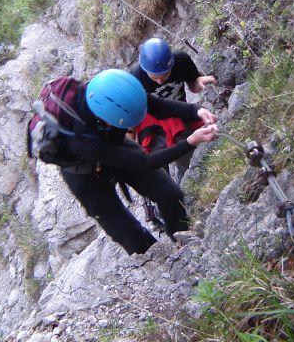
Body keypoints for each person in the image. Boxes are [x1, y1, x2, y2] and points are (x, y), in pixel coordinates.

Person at [38, 68, 217, 255]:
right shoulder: (82, 141)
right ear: (106, 119)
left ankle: (185, 244)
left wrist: (196, 110)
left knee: (170, 195)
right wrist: (190, 141)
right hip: (85, 175)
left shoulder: (117, 92)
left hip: (112, 143)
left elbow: (158, 106)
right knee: (127, 232)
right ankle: (159, 262)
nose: (131, 127)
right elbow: (144, 162)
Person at [131, 37, 217, 182]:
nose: (160, 81)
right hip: (152, 125)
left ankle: (186, 184)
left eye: (164, 75)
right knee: (158, 169)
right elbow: (133, 114)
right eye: (154, 77)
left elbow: (193, 85)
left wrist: (199, 82)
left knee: (188, 158)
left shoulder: (181, 60)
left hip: (180, 113)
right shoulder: (135, 78)